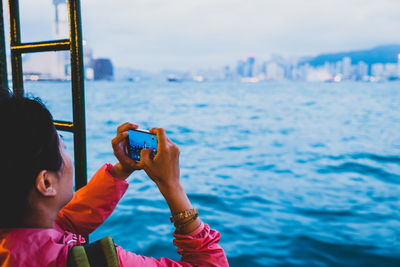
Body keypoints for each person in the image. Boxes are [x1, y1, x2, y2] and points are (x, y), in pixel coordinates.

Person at [0, 89, 228, 267]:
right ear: (46, 183)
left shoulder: (16, 235)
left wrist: (121, 170)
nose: (67, 156)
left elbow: (61, 223)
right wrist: (172, 185)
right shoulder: (99, 261)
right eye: (63, 146)